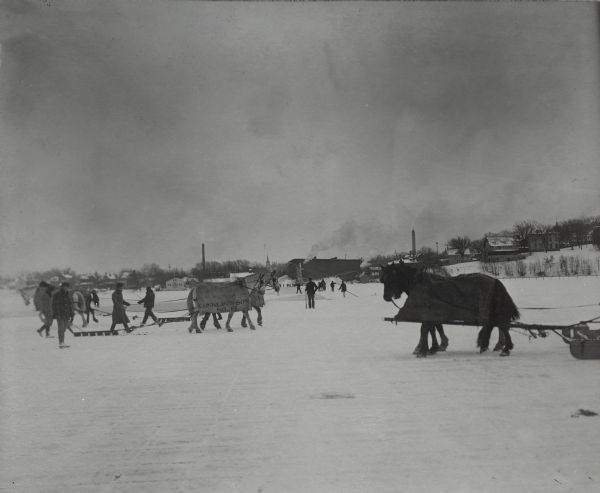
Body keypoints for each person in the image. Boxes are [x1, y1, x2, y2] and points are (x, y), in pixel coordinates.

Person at [51, 282, 74, 348]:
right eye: (65, 287)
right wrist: (56, 313)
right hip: (59, 314)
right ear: (63, 287)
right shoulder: (57, 294)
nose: (67, 288)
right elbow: (54, 305)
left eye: (67, 287)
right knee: (61, 328)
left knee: (64, 328)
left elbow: (69, 304)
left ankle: (62, 341)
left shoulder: (67, 294)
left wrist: (71, 313)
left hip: (66, 314)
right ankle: (61, 342)